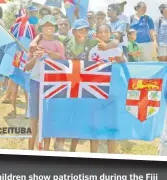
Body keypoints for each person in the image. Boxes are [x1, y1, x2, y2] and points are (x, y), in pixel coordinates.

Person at [29, 19, 120, 152]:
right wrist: (34, 41)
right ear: (74, 31)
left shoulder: (93, 41)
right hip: (65, 83)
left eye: (86, 29)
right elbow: (45, 34)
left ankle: (73, 151)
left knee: (79, 116)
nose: (83, 32)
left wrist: (108, 46)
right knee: (65, 114)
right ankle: (59, 144)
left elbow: (115, 42)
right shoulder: (65, 40)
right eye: (80, 29)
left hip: (85, 86)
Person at [25, 15, 66, 151]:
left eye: (51, 25)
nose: (49, 27)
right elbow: (26, 67)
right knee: (34, 117)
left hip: (52, 83)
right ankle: (30, 149)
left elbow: (64, 64)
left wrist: (51, 54)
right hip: (35, 82)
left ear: (54, 28)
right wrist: (35, 58)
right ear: (41, 27)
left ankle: (46, 150)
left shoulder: (59, 44)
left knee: (47, 116)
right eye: (46, 25)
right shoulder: (34, 44)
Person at [88, 23, 126, 154]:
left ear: (110, 33)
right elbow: (89, 72)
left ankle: (112, 155)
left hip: (113, 92)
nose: (103, 34)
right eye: (100, 32)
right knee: (95, 125)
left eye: (106, 32)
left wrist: (119, 58)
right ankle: (93, 154)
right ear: (96, 34)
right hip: (97, 92)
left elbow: (124, 64)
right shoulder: (93, 51)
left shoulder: (117, 49)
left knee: (112, 126)